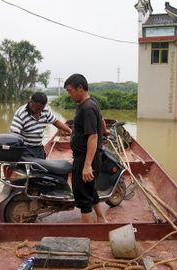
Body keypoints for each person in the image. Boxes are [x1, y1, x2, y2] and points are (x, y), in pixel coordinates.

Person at [64, 73, 108, 223]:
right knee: (90, 190)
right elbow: (101, 119)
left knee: (83, 196)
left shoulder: (87, 108)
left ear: (80, 88)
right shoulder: (91, 102)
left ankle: (88, 234)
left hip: (85, 158)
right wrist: (105, 130)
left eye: (70, 91)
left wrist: (87, 165)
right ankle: (102, 219)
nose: (69, 95)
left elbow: (93, 137)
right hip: (87, 156)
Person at [10, 92, 72, 159]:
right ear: (31, 102)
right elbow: (15, 134)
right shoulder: (21, 114)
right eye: (38, 108)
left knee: (42, 167)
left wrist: (70, 131)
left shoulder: (45, 110)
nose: (40, 111)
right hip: (26, 149)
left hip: (39, 148)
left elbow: (55, 122)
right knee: (31, 168)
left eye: (42, 108)